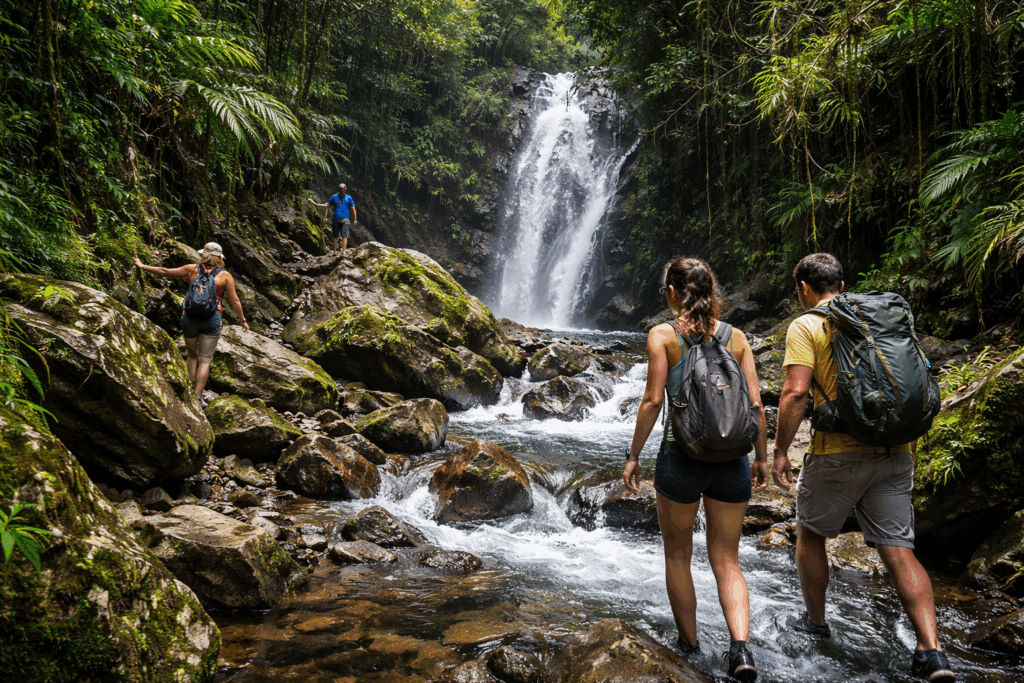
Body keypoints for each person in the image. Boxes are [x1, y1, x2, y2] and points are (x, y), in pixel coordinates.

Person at [771, 253, 955, 682]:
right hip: (896, 448)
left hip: (837, 450)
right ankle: (933, 651)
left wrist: (780, 451)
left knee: (810, 534)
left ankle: (815, 623)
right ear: (841, 281)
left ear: (804, 288)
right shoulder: (878, 321)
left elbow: (796, 393)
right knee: (898, 550)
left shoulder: (807, 324)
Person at [624, 257, 769, 682]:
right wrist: (760, 456)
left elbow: (653, 401)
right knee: (727, 558)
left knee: (679, 555)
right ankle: (740, 650)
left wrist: (633, 455)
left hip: (681, 456)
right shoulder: (736, 337)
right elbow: (756, 404)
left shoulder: (664, 336)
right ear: (712, 292)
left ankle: (689, 647)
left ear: (673, 293)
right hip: (732, 461)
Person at [133, 242, 249, 408]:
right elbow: (235, 301)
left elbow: (165, 272)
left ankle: (187, 393)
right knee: (205, 360)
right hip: (212, 319)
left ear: (204, 255)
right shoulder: (225, 276)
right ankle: (197, 397)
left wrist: (142, 266)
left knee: (192, 354)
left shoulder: (192, 269)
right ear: (219, 258)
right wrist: (243, 320)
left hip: (189, 317)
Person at [308, 183, 357, 253]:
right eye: (340, 189)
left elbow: (353, 209)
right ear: (338, 189)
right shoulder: (334, 197)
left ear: (345, 189)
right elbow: (327, 206)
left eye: (343, 189)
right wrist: (314, 203)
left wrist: (355, 219)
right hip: (336, 218)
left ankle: (344, 251)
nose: (342, 190)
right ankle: (334, 251)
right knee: (335, 236)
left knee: (344, 236)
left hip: (345, 219)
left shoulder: (349, 198)